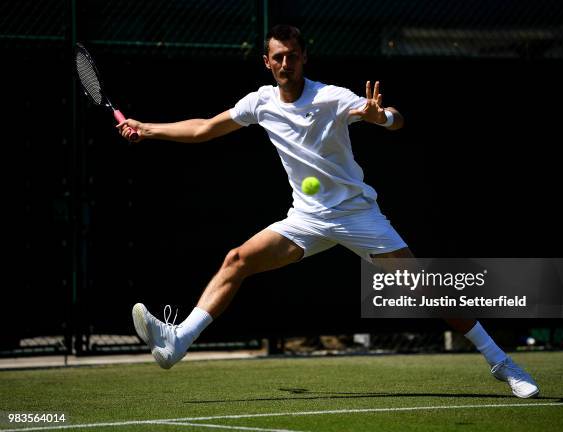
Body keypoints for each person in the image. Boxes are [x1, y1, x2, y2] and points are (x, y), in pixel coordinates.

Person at [118, 25, 539, 398]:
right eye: (277, 57)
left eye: (292, 55)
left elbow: (396, 118)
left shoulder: (331, 97)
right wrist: (147, 129)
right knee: (237, 259)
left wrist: (381, 118)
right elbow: (205, 128)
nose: (285, 63)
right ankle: (177, 342)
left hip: (357, 214)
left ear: (304, 58)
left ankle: (502, 363)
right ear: (267, 62)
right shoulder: (260, 103)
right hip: (306, 218)